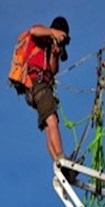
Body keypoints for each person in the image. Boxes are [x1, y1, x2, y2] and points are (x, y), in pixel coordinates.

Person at [24, 16, 70, 162]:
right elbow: (33, 31)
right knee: (52, 121)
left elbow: (52, 71)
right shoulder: (43, 33)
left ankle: (58, 162)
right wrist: (53, 33)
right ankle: (61, 158)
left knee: (49, 126)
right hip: (37, 84)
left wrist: (55, 54)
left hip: (38, 88)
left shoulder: (49, 47)